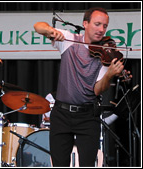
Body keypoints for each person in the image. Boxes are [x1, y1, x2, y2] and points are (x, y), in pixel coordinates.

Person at [34, 7, 131, 167]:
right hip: (61, 114)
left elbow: (97, 90)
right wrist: (50, 30)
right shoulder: (68, 40)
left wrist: (109, 74)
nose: (101, 30)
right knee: (59, 164)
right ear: (85, 24)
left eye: (105, 26)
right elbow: (38, 26)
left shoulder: (106, 55)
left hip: (87, 117)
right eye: (97, 24)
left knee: (87, 164)